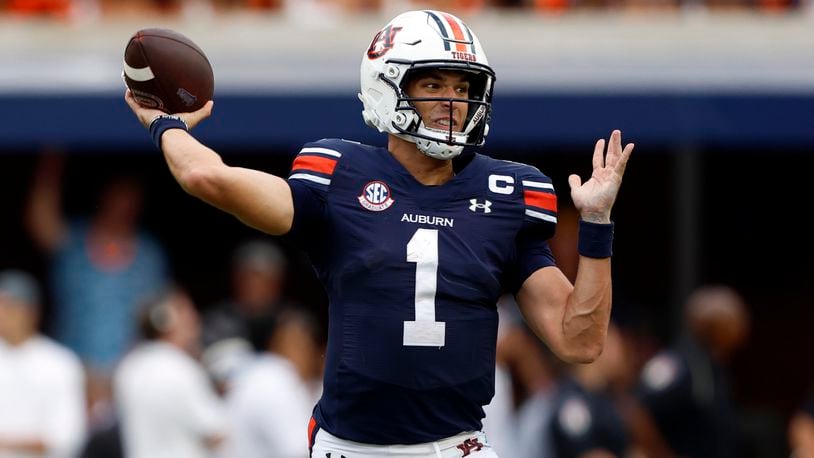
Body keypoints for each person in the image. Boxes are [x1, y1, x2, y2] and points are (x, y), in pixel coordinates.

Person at [124, 9, 633, 457]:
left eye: (462, 87)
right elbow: (206, 177)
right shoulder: (338, 175)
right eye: (433, 85)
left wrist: (596, 225)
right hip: (351, 449)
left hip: (457, 447)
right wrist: (165, 124)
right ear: (387, 85)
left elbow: (579, 340)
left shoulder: (507, 192)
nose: (452, 102)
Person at [25, 153, 170, 423]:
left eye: (132, 197)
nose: (125, 204)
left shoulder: (150, 255)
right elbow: (40, 220)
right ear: (104, 197)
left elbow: (161, 316)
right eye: (119, 195)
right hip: (73, 372)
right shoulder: (73, 242)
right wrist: (51, 159)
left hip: (128, 375)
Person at [627, 284, 750, 458]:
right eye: (731, 320)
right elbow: (637, 411)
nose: (740, 328)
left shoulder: (714, 364)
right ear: (709, 324)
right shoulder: (677, 363)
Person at [113, 286, 227, 458]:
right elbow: (215, 433)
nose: (194, 321)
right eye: (186, 315)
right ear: (166, 321)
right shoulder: (181, 368)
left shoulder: (128, 367)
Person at [0, 269, 87, 458]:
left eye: (10, 307)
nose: (3, 315)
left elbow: (67, 437)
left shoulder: (59, 363)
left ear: (32, 311)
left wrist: (8, 443)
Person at [219, 307, 323, 458]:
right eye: (288, 344)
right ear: (272, 346)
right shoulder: (273, 376)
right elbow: (301, 452)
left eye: (302, 345)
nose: (296, 353)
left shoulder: (313, 386)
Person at [201, 238, 289, 349]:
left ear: (277, 283)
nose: (254, 286)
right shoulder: (216, 322)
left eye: (263, 279)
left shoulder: (293, 322)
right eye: (247, 278)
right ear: (236, 280)